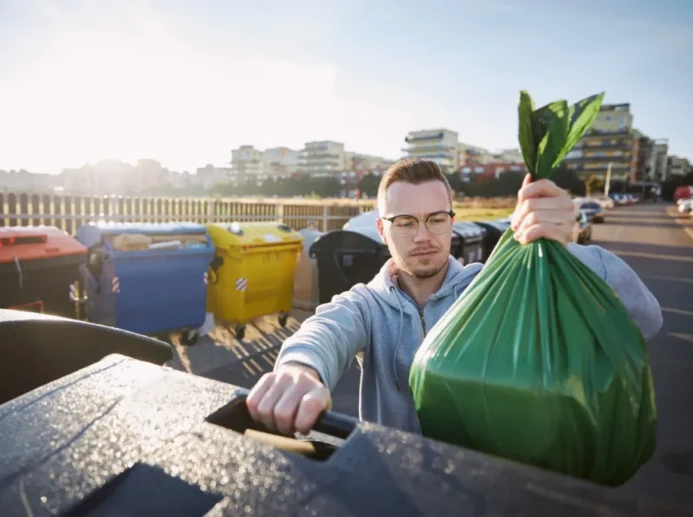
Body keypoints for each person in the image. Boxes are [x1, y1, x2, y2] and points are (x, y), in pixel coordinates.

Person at [247, 159, 663, 436]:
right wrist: (300, 370)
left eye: (436, 219)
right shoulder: (367, 305)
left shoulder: (491, 290)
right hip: (394, 487)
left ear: (452, 221)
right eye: (405, 221)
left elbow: (644, 318)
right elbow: (327, 328)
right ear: (381, 230)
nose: (424, 236)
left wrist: (558, 251)